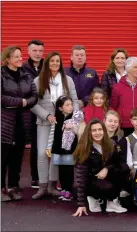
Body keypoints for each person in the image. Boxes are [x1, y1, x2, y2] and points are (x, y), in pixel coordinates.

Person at [31, 51, 79, 200]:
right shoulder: (38, 80)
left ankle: (52, 186)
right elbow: (33, 103)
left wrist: (72, 118)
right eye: (52, 61)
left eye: (57, 61)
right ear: (47, 63)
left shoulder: (68, 80)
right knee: (41, 153)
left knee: (55, 153)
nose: (55, 64)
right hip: (45, 122)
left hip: (63, 124)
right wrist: (46, 115)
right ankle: (42, 186)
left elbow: (75, 101)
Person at [1, 46, 38, 201]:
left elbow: (34, 95)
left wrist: (25, 102)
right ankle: (2, 189)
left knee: (17, 157)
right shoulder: (2, 75)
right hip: (5, 122)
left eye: (20, 56)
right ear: (8, 59)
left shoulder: (26, 75)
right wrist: (20, 102)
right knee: (3, 157)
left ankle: (14, 186)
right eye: (16, 56)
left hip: (22, 122)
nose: (20, 59)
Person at [72, 119, 127, 217]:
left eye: (100, 129)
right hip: (90, 181)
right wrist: (81, 204)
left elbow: (117, 163)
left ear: (104, 131)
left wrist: (107, 169)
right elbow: (81, 177)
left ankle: (111, 201)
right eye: (94, 130)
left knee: (123, 170)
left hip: (105, 176)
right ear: (89, 132)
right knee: (105, 186)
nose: (98, 133)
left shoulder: (111, 144)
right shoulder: (84, 148)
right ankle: (93, 197)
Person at [45, 96, 82, 201]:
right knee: (61, 169)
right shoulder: (57, 118)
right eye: (67, 105)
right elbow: (52, 133)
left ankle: (69, 190)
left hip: (70, 149)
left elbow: (79, 131)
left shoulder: (75, 117)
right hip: (58, 148)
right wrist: (49, 146)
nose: (70, 107)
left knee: (69, 170)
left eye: (71, 104)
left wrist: (72, 127)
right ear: (60, 108)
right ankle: (64, 189)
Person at [22, 40, 44, 189]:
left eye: (40, 51)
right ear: (28, 52)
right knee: (34, 146)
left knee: (45, 146)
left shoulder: (47, 67)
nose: (37, 53)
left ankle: (48, 178)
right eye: (34, 50)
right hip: (27, 112)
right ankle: (35, 177)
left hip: (45, 112)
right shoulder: (22, 69)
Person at [110, 57, 137, 136]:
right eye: (135, 67)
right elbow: (113, 106)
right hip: (124, 126)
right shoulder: (117, 87)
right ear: (128, 68)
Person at [117, 108, 137, 199]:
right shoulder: (128, 139)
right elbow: (128, 160)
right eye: (135, 119)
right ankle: (133, 192)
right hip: (136, 171)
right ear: (131, 121)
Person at [65, 45, 99, 109]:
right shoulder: (64, 73)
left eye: (82, 55)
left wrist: (84, 101)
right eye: (77, 55)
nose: (80, 57)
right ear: (71, 57)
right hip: (68, 108)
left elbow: (96, 91)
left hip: (88, 108)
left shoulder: (92, 73)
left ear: (85, 57)